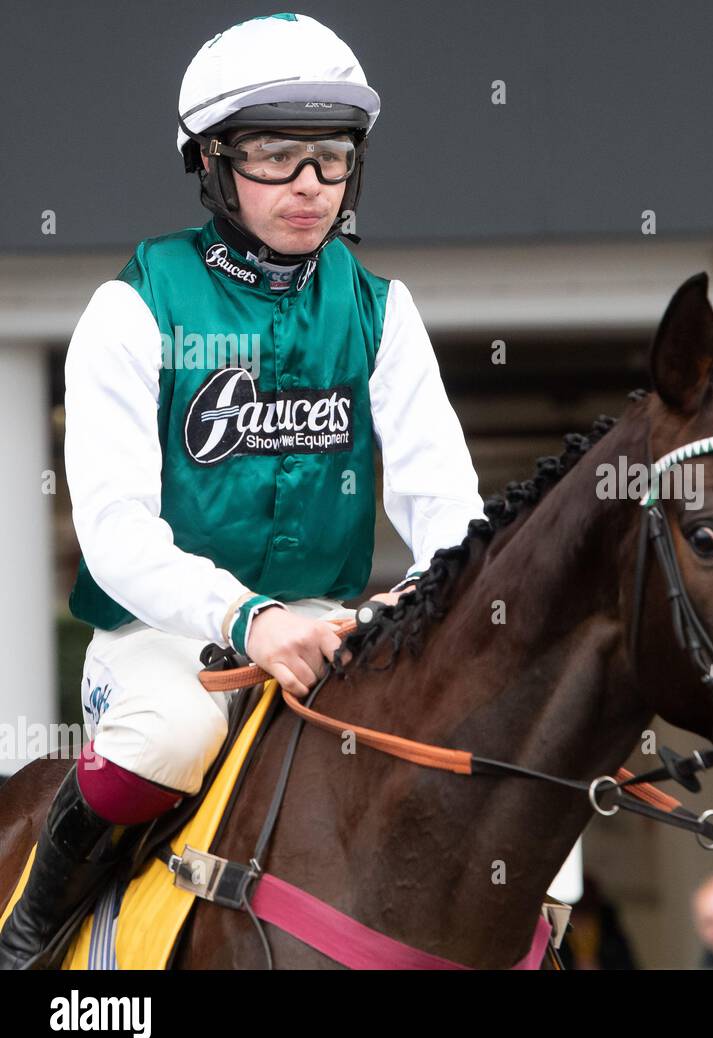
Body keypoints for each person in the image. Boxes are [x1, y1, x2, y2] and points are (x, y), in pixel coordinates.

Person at [0, 14, 485, 969]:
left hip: (327, 624)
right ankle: (32, 931)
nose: (309, 184)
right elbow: (112, 532)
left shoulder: (385, 310)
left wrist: (428, 598)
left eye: (331, 156)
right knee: (176, 735)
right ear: (213, 165)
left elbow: (447, 508)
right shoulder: (132, 307)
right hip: (164, 637)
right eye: (274, 156)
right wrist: (247, 617)